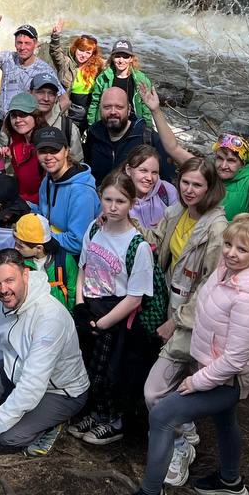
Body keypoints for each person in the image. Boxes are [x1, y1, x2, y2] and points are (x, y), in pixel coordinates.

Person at [135, 215, 249, 495]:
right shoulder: (226, 272)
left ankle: (150, 490)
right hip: (212, 369)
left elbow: (235, 359)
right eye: (228, 244)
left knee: (163, 415)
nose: (231, 253)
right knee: (225, 421)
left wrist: (197, 381)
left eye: (242, 249)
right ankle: (230, 482)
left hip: (228, 379)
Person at [0, 248, 89, 457]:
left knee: (7, 437)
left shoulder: (49, 318)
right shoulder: (2, 301)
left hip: (60, 391)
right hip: (16, 373)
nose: (3, 289)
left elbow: (33, 384)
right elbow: (6, 345)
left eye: (9, 280)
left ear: (25, 275)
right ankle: (20, 410)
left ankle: (52, 423)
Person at [143, 155, 229, 487]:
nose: (189, 190)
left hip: (192, 316)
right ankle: (184, 430)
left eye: (197, 185)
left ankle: (179, 444)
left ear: (210, 188)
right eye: (185, 182)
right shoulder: (177, 211)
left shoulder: (216, 228)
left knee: (154, 391)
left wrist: (177, 320)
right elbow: (155, 239)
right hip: (167, 300)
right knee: (174, 383)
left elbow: (212, 285)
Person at [69, 168, 158, 447]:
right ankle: (94, 413)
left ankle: (113, 420)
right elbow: (84, 267)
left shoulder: (137, 246)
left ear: (132, 203)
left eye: (120, 201)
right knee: (87, 365)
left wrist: (104, 323)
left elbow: (135, 297)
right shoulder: (95, 228)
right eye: (108, 200)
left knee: (109, 371)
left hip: (116, 312)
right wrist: (80, 305)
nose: (113, 207)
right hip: (90, 305)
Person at [142, 85, 249, 221]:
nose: (223, 165)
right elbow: (173, 149)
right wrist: (156, 111)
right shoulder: (208, 173)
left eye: (231, 161)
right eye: (220, 158)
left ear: (242, 164)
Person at [31, 125, 100, 267]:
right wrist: (25, 208)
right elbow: (46, 216)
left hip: (78, 264)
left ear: (67, 151)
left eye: (54, 151)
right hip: (56, 255)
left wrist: (35, 237)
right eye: (43, 151)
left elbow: (77, 242)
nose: (49, 157)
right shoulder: (49, 179)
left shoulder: (81, 191)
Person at [85, 87, 173, 184]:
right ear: (100, 109)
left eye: (119, 107)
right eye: (107, 107)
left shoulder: (147, 138)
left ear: (129, 109)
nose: (113, 112)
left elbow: (166, 182)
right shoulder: (94, 134)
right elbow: (87, 173)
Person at [0, 24, 56, 128]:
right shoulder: (9, 58)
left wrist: (44, 124)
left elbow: (64, 99)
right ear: (15, 43)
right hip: (1, 121)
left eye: (27, 43)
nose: (22, 47)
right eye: (19, 43)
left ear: (36, 44)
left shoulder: (45, 70)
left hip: (23, 125)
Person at [48, 22, 104, 132]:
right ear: (75, 49)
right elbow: (55, 52)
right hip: (69, 113)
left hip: (89, 115)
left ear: (92, 54)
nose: (83, 55)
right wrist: (55, 36)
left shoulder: (98, 67)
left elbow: (115, 64)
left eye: (88, 53)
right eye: (81, 50)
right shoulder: (65, 63)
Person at [13, 212, 76, 311]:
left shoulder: (65, 260)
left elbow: (73, 290)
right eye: (15, 243)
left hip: (58, 313)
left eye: (20, 246)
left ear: (39, 248)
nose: (15, 248)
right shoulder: (18, 262)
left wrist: (71, 313)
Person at [87, 38, 154, 126]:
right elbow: (95, 103)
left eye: (125, 56)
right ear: (112, 58)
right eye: (117, 56)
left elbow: (146, 107)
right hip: (107, 124)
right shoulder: (103, 78)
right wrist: (91, 125)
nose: (121, 60)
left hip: (133, 125)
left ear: (131, 59)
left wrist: (148, 128)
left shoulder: (141, 79)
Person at [0, 93, 45, 204]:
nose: (18, 120)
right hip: (20, 203)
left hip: (39, 208)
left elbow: (49, 189)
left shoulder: (45, 147)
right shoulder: (14, 146)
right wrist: (8, 159)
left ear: (36, 116)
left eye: (23, 114)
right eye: (14, 115)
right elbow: (18, 181)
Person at [125, 144, 180, 233]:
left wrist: (168, 223)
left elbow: (181, 218)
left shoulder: (166, 191)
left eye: (154, 172)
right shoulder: (117, 197)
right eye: (143, 171)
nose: (149, 178)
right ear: (128, 170)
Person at [28, 72, 84, 158]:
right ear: (30, 93)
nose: (46, 98)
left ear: (57, 97)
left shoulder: (68, 128)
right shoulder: (19, 121)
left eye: (51, 93)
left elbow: (77, 164)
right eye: (40, 92)